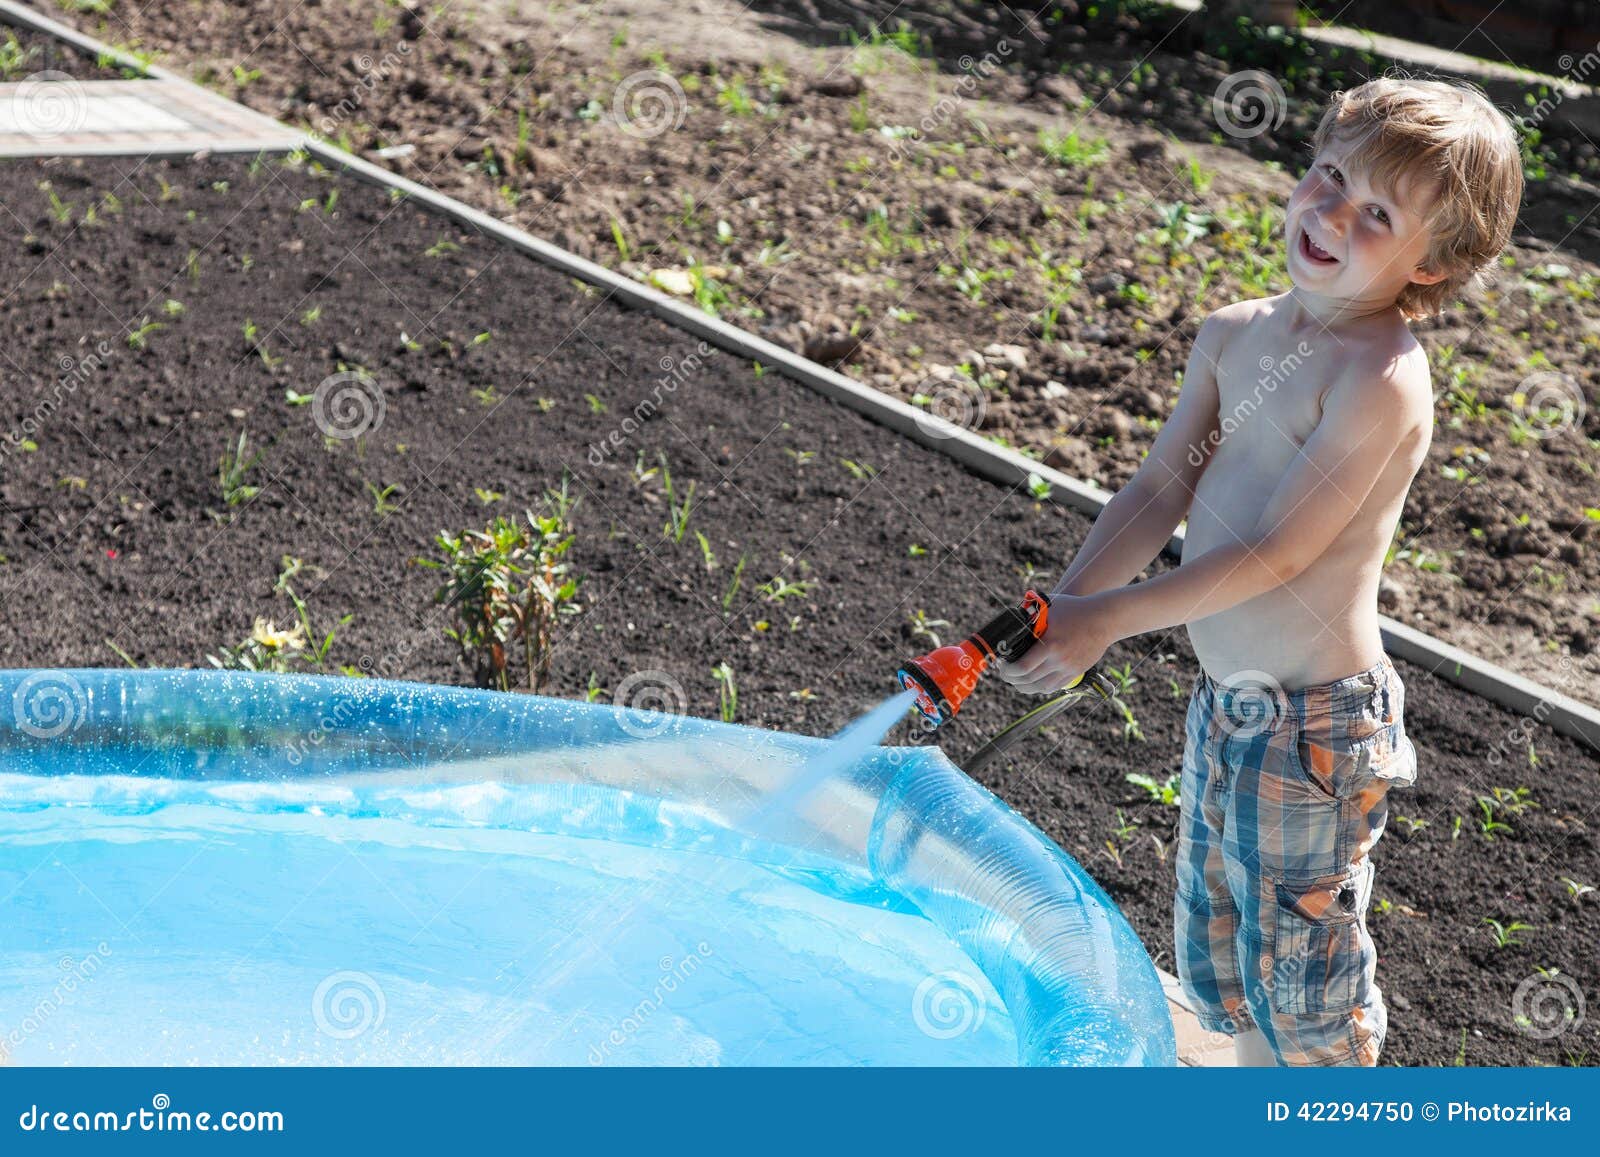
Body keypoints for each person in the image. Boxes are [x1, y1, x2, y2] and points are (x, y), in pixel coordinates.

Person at [996, 75, 1525, 1066]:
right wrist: (1066, 605)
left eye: (1376, 212)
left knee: (1304, 973)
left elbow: (1274, 553)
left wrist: (1107, 618)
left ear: (1434, 261)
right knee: (1222, 951)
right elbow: (1159, 489)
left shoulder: (1379, 376)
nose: (1330, 211)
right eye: (1328, 174)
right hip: (1226, 702)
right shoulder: (1235, 334)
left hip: (1318, 724)